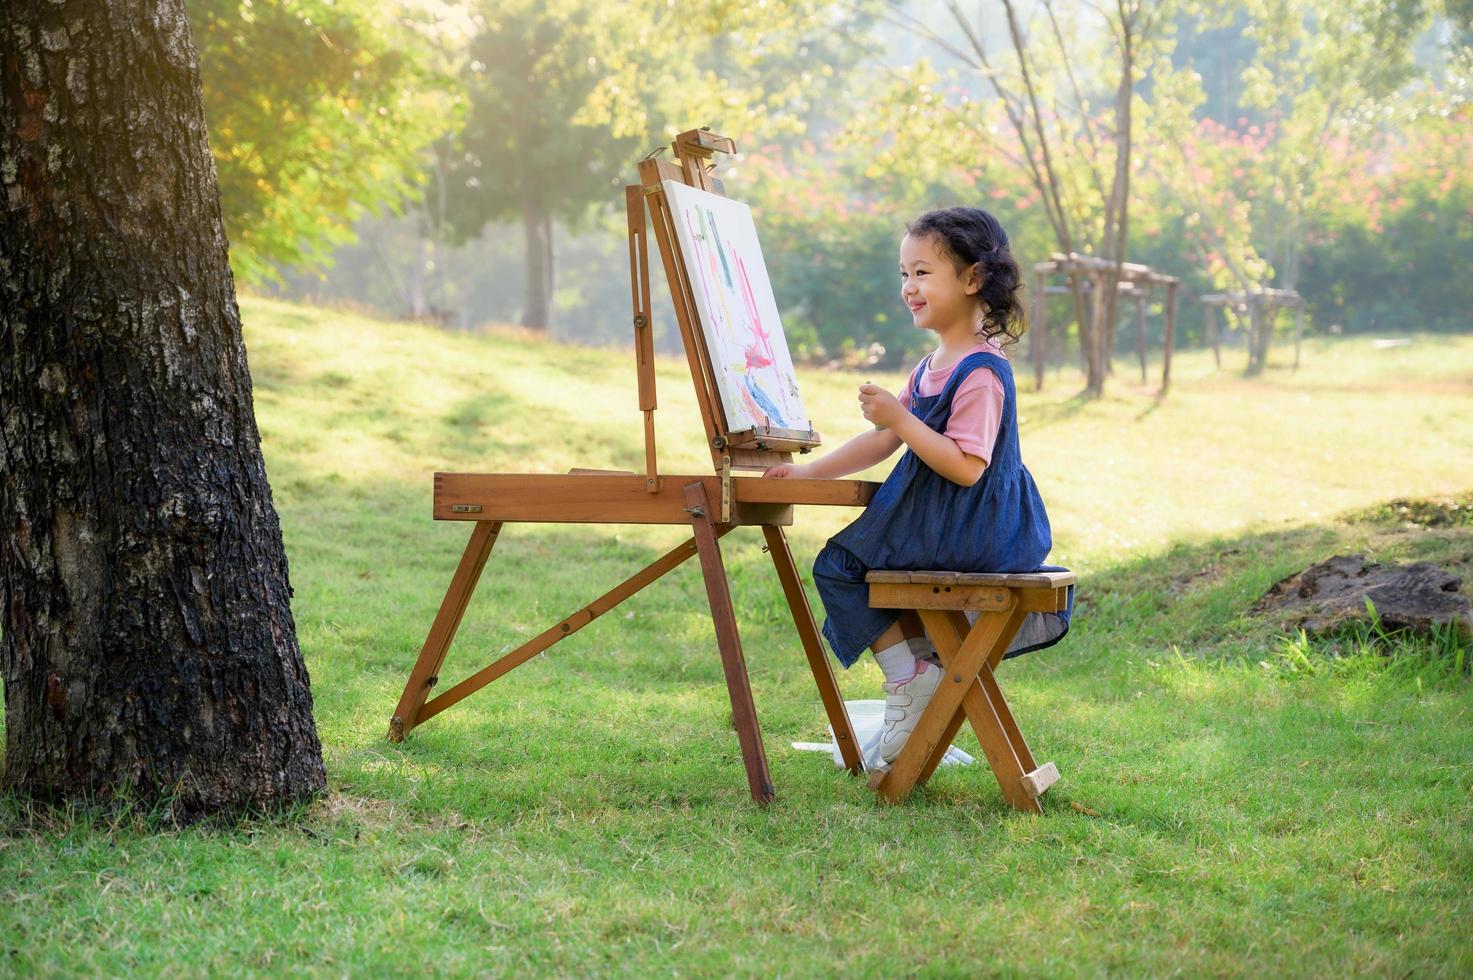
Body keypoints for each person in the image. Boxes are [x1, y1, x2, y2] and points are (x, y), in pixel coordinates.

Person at [763, 206, 1070, 763]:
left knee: (840, 566)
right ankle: (919, 677)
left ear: (973, 279)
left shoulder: (979, 371)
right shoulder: (934, 364)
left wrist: (901, 420)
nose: (909, 286)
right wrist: (807, 474)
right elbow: (880, 442)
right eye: (904, 274)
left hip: (971, 524)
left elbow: (967, 467)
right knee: (854, 570)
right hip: (948, 521)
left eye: (923, 272)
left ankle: (909, 679)